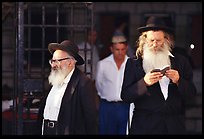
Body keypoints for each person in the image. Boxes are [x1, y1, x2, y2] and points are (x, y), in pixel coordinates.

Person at [121, 16, 197, 134]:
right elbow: (125, 96)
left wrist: (179, 81)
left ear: (166, 39)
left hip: (174, 127)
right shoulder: (134, 63)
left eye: (159, 40)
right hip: (145, 127)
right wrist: (144, 82)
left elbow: (192, 94)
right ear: (144, 39)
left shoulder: (181, 61)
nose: (155, 44)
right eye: (151, 40)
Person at [36, 40, 99, 135]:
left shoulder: (84, 83)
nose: (53, 65)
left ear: (70, 62)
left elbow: (91, 120)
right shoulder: (54, 80)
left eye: (57, 61)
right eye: (52, 61)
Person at [95, 34, 130, 135]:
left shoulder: (131, 64)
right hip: (107, 106)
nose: (120, 52)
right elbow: (99, 85)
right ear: (111, 49)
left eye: (122, 49)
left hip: (125, 106)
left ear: (126, 48)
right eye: (117, 49)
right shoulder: (103, 64)